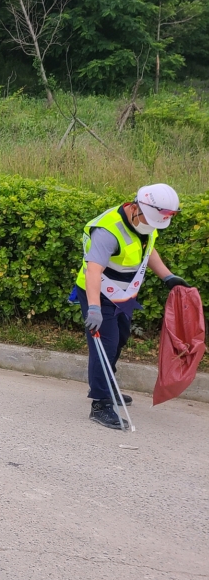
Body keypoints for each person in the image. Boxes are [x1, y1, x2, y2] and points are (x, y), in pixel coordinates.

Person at [74, 183, 193, 429]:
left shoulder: (145, 223)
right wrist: (94, 308)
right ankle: (101, 402)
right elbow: (94, 271)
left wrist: (167, 277)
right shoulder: (108, 231)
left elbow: (149, 251)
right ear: (136, 207)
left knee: (120, 338)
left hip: (123, 295)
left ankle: (109, 386)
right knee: (104, 344)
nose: (152, 227)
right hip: (98, 294)